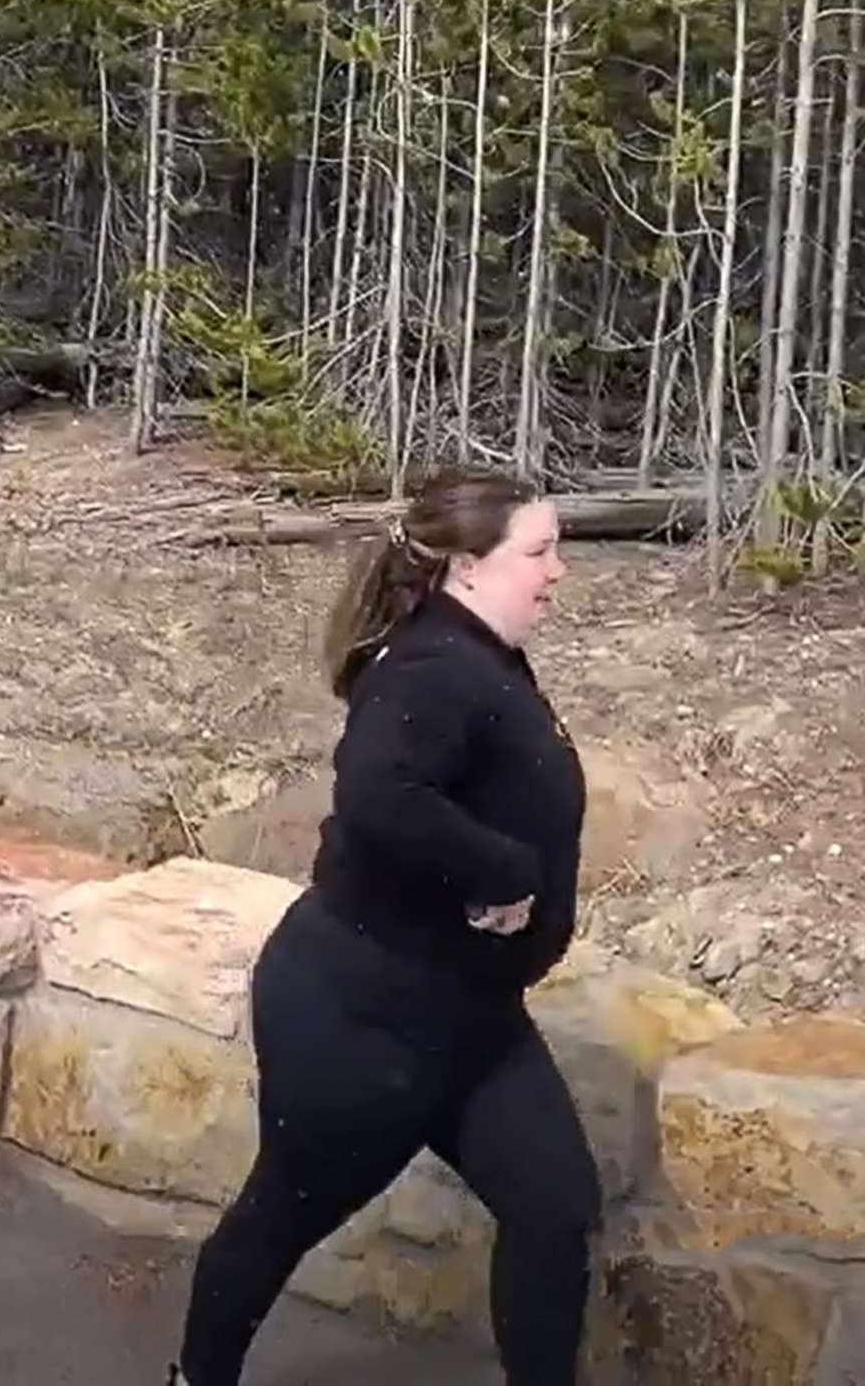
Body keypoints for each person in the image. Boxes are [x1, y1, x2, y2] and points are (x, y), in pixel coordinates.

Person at [168, 466, 598, 1386]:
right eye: (539, 550)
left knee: (554, 1205)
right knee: (284, 1209)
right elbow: (376, 794)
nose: (559, 570)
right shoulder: (435, 667)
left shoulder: (477, 652)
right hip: (360, 1014)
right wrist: (505, 870)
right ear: (468, 567)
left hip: (470, 1017)